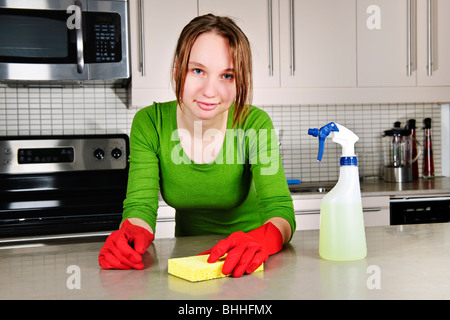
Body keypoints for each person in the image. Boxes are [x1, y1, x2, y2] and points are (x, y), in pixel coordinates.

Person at [98, 14, 295, 277]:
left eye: (227, 75)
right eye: (198, 71)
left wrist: (262, 240)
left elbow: (279, 209)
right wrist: (131, 235)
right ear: (178, 68)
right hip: (187, 263)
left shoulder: (255, 124)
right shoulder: (151, 123)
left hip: (253, 262)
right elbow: (140, 207)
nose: (210, 91)